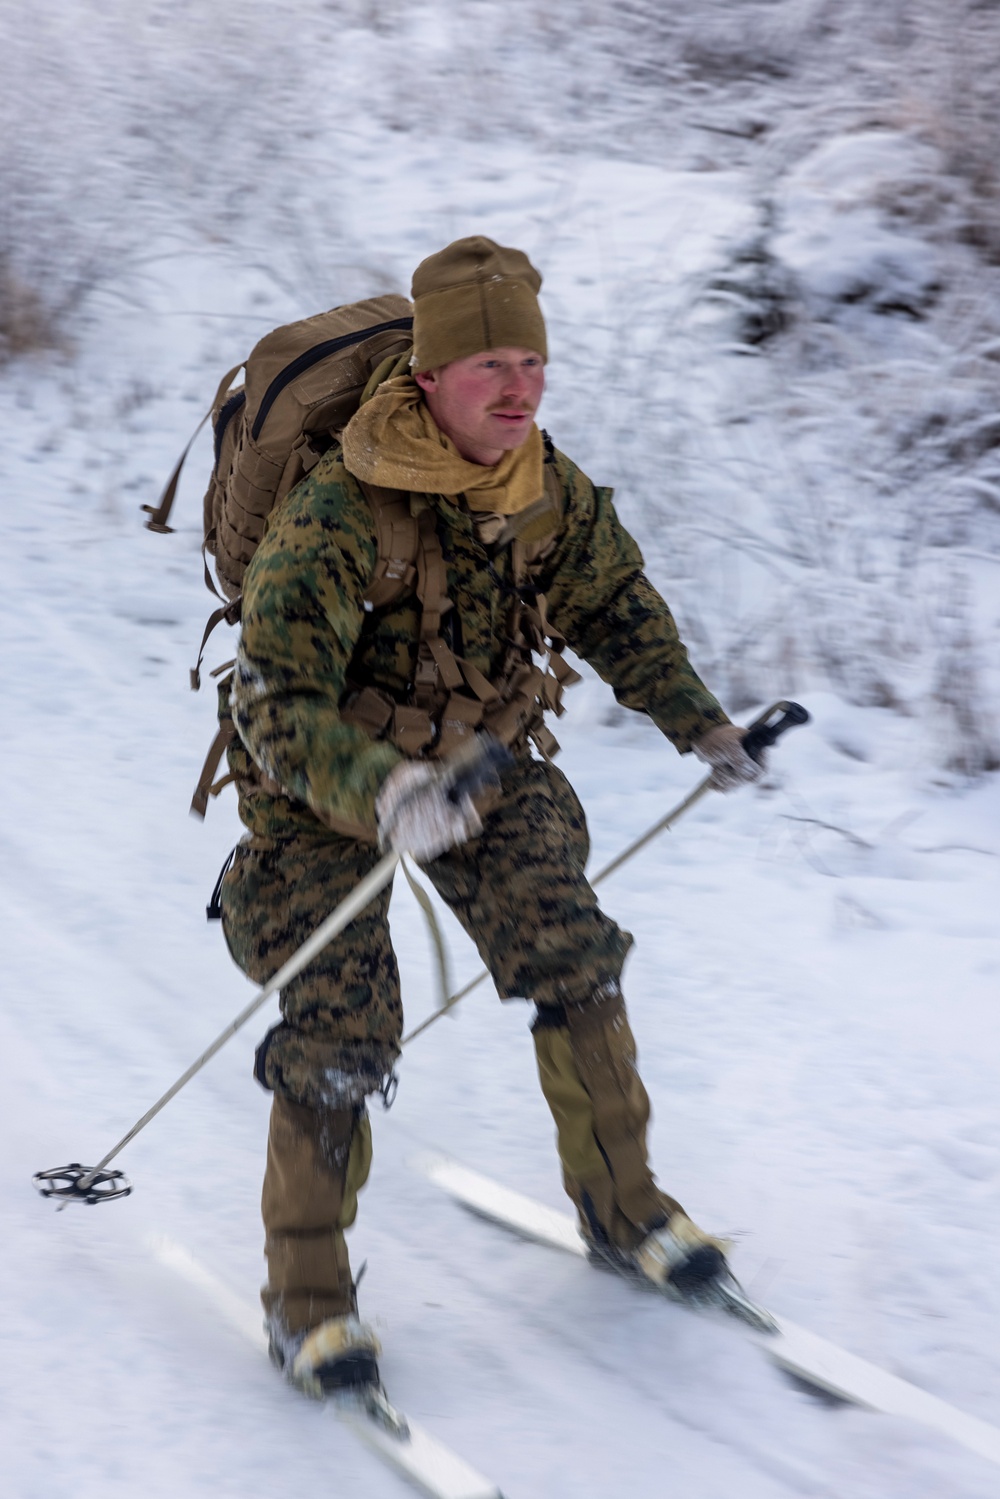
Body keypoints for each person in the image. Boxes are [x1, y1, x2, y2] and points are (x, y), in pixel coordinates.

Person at [219, 236, 763, 1397]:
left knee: (571, 947)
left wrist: (698, 722)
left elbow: (611, 598)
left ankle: (628, 1214)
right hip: (326, 792)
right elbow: (267, 696)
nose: (518, 389)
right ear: (428, 375)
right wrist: (382, 791)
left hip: (474, 766)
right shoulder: (334, 512)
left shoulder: (538, 483)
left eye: (532, 361)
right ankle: (307, 1301)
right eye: (488, 367)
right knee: (343, 1031)